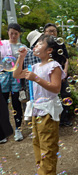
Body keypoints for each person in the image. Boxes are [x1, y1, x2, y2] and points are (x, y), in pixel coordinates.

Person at [13, 34, 66, 175]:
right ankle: (41, 170)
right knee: (37, 143)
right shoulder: (34, 66)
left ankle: (47, 172)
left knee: (48, 146)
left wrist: (35, 78)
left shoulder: (54, 66)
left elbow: (56, 88)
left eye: (40, 44)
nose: (35, 46)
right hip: (36, 110)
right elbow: (16, 75)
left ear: (49, 50)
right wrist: (22, 57)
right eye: (35, 44)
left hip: (48, 110)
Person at [43, 23, 72, 127]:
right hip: (49, 76)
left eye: (54, 31)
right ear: (45, 33)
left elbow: (66, 59)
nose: (52, 33)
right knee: (49, 98)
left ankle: (63, 119)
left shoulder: (60, 44)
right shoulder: (43, 45)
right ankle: (51, 120)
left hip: (61, 74)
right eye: (50, 31)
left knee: (66, 95)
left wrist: (64, 72)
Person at [0, 23, 25, 142]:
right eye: (11, 33)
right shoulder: (2, 44)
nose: (13, 35)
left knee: (16, 103)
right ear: (8, 33)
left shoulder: (22, 47)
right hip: (3, 75)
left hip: (16, 77)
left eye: (16, 33)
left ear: (19, 34)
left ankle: (18, 129)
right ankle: (2, 132)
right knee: (2, 104)